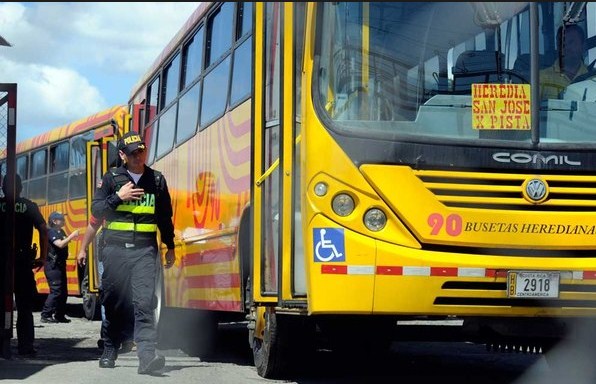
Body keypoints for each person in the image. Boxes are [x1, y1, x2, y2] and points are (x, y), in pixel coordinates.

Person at [91, 131, 175, 374]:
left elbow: (165, 217)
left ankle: (147, 357)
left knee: (144, 302)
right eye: (133, 153)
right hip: (115, 251)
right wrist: (118, 197)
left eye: (141, 151)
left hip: (145, 252)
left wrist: (170, 246)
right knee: (114, 301)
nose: (138, 156)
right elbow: (97, 211)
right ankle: (109, 348)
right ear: (122, 155)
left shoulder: (157, 180)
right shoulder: (111, 179)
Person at [0, 174, 48, 356]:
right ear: (21, 188)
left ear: (3, 188)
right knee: (24, 307)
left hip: (1, 262)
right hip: (22, 263)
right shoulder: (28, 206)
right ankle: (25, 346)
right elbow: (43, 229)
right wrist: (43, 257)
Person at [76, 214, 134, 353]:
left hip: (109, 253)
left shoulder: (107, 208)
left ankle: (110, 338)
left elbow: (94, 222)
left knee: (109, 296)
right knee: (123, 295)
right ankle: (122, 338)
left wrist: (83, 249)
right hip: (121, 252)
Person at [40, 211, 79, 323]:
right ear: (54, 221)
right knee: (56, 291)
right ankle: (46, 315)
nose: (63, 220)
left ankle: (59, 315)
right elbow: (60, 244)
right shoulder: (51, 231)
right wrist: (72, 235)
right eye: (61, 219)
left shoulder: (60, 231)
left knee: (63, 291)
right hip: (53, 266)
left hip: (60, 265)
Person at [540, 24, 589, 99]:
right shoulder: (542, 78)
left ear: (583, 46)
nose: (566, 47)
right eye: (562, 43)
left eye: (571, 42)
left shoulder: (592, 77)